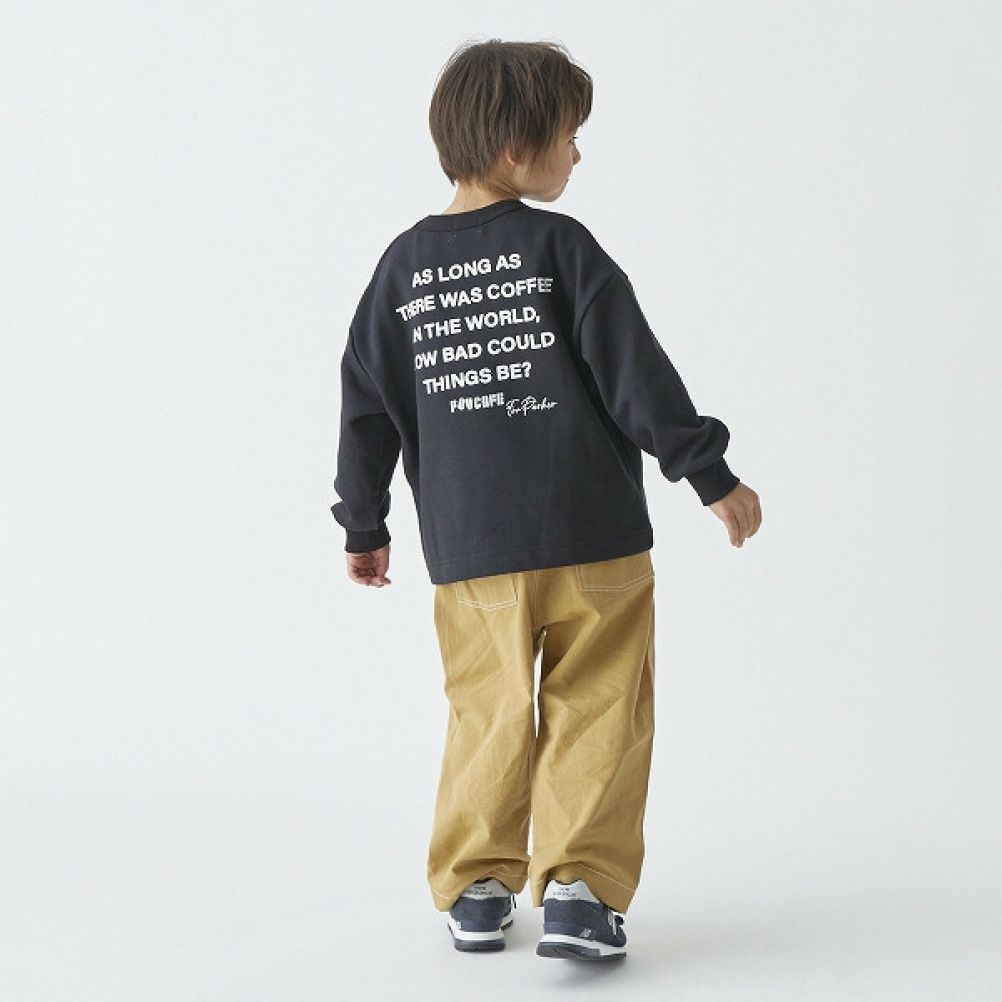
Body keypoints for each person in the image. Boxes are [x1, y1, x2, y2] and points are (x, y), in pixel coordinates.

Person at [330, 38, 762, 962]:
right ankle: (579, 893)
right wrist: (708, 473)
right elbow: (634, 373)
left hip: (472, 552)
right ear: (515, 149)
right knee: (601, 706)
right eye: (569, 137)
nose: (578, 154)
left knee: (486, 712)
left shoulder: (400, 271)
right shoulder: (562, 248)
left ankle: (478, 888)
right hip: (593, 537)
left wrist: (364, 523)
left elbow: (364, 406)